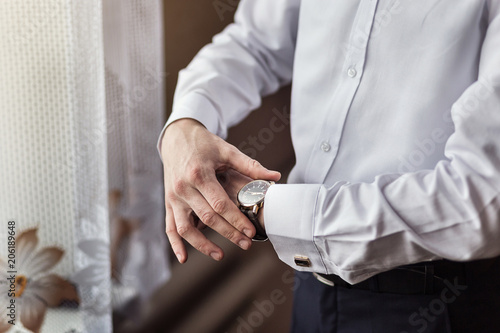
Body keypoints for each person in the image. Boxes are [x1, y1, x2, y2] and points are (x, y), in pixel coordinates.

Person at [158, 1, 500, 332]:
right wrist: (186, 124)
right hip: (311, 291)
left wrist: (267, 207)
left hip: (437, 304)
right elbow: (255, 41)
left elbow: (483, 198)